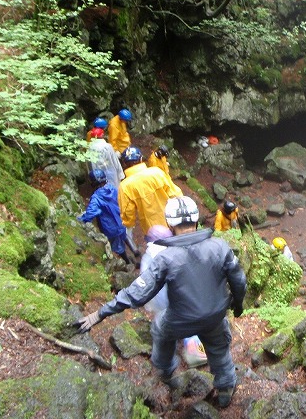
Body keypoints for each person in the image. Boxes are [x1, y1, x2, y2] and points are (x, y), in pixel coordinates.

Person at [73, 196, 246, 408]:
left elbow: (136, 293)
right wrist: (237, 305)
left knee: (159, 327)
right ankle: (226, 387)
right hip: (215, 315)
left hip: (180, 320)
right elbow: (239, 280)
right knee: (219, 349)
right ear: (196, 219)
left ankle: (166, 369)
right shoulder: (219, 246)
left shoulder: (165, 258)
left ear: (170, 224)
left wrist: (99, 314)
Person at [140, 224, 208, 369]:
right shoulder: (172, 253)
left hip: (159, 302)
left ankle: (167, 366)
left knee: (165, 329)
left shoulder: (148, 258)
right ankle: (196, 352)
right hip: (176, 296)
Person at [118, 146, 182, 241]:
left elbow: (127, 213)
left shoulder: (124, 186)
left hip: (152, 229)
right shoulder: (157, 172)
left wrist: (128, 225)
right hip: (172, 220)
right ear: (140, 159)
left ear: (124, 163)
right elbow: (175, 193)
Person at [77, 169, 132, 264]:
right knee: (124, 235)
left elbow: (90, 213)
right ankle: (135, 251)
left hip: (110, 228)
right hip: (121, 221)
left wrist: (81, 219)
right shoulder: (113, 188)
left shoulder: (96, 198)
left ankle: (128, 262)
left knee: (118, 247)